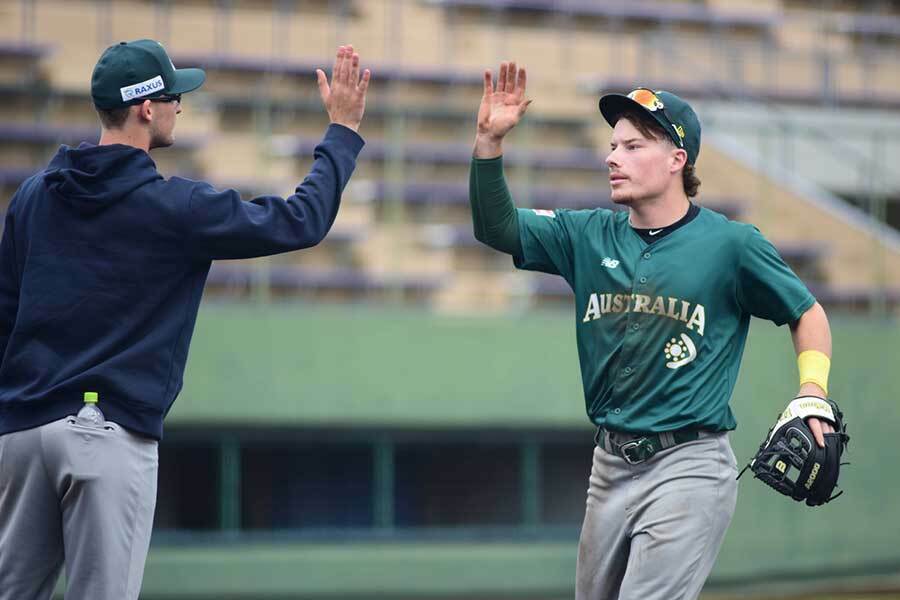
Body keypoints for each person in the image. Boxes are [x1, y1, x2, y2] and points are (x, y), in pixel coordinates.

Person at [0, 39, 369, 599]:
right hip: (105, 435)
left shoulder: (31, 197)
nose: (180, 106)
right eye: (174, 96)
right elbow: (301, 220)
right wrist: (341, 132)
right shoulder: (176, 208)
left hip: (22, 433)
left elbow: (5, 316)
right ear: (146, 108)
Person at [468, 62, 835, 600]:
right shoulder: (586, 235)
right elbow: (496, 227)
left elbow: (807, 313)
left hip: (688, 464)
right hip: (609, 466)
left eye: (633, 146)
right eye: (613, 145)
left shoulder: (731, 245)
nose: (612, 157)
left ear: (676, 160)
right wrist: (488, 142)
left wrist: (812, 391)